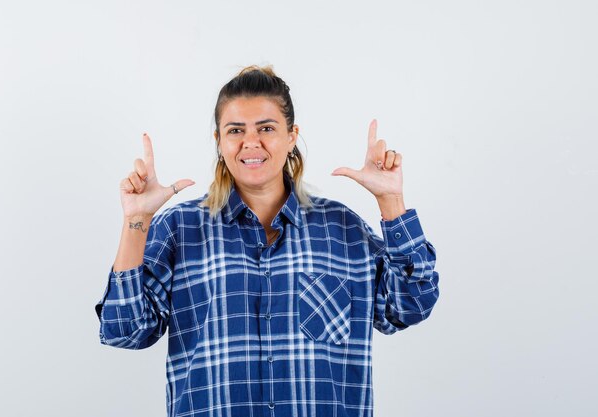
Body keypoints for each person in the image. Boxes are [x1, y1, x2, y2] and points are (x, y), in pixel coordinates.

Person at [95, 65, 440, 417]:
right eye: (235, 130)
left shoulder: (344, 230)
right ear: (219, 141)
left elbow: (410, 305)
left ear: (292, 136)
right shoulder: (180, 230)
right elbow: (124, 330)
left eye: (266, 128)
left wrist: (391, 202)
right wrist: (136, 221)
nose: (251, 142)